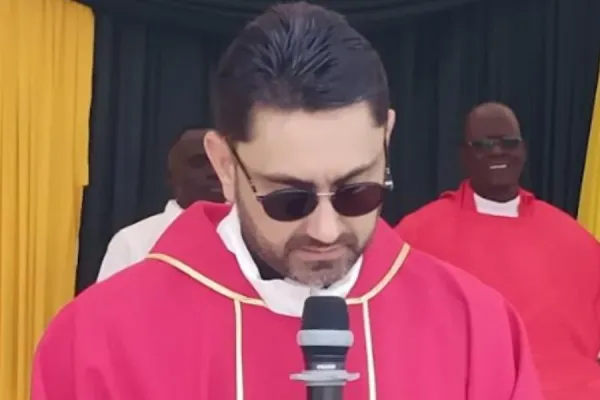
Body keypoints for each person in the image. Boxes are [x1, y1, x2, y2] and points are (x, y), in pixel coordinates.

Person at [31, 4, 544, 399]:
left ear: (386, 140)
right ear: (225, 165)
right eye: (289, 199)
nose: (326, 229)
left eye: (357, 191)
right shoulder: (101, 340)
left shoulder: (475, 328)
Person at [395, 102, 600, 400]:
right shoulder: (419, 233)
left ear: (524, 150)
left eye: (509, 143)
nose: (497, 152)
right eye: (483, 145)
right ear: (463, 156)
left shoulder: (571, 236)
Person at [97, 128, 223, 281]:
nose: (214, 172)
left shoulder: (248, 237)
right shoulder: (132, 242)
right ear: (171, 176)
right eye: (199, 163)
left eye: (221, 163)